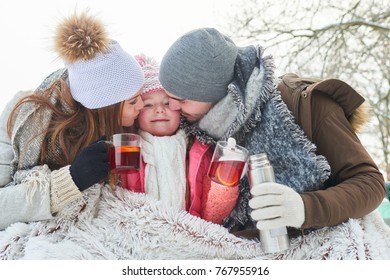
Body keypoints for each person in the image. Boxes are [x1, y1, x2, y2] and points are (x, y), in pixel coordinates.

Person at [159, 28, 386, 235]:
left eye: (181, 99)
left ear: (214, 92)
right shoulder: (195, 129)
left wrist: (304, 208)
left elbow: (370, 182)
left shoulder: (304, 104)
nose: (172, 107)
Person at [0, 12, 145, 230]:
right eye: (133, 101)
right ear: (104, 106)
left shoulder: (137, 123)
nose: (142, 105)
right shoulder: (24, 116)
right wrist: (71, 180)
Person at [123, 54, 239, 224]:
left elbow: (213, 214)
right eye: (148, 105)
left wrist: (225, 181)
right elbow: (116, 196)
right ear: (137, 110)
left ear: (179, 108)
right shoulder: (127, 149)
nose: (159, 110)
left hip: (190, 238)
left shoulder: (199, 150)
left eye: (167, 103)